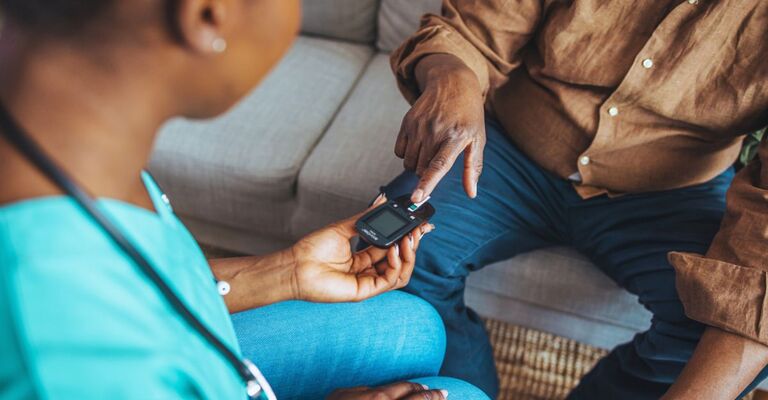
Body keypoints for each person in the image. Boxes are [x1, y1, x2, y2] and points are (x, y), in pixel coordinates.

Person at [0, 1, 490, 399]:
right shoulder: (65, 360)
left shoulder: (64, 142)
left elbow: (137, 281)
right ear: (208, 13)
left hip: (179, 340)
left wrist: (286, 272)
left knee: (415, 326)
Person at [380, 1, 768, 399]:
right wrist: (451, 76)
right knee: (390, 248)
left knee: (715, 345)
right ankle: (465, 391)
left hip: (675, 192)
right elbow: (471, 33)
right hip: (512, 148)